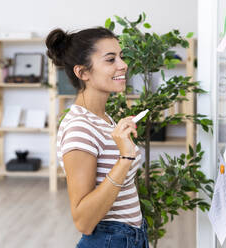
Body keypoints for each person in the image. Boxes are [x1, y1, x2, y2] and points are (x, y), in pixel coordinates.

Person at [46, 27, 149, 248]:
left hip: (130, 236)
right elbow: (83, 220)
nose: (123, 65)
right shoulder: (80, 128)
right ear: (83, 73)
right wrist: (125, 158)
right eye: (110, 59)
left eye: (121, 57)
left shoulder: (102, 118)